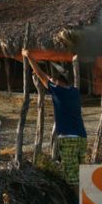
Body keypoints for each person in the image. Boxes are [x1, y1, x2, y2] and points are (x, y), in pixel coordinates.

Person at [23, 49, 86, 190]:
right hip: (82, 137)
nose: (50, 80)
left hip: (69, 138)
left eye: (53, 79)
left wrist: (29, 56)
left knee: (72, 175)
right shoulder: (74, 92)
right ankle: (88, 203)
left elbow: (40, 74)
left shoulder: (58, 91)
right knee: (83, 172)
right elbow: (45, 77)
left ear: (58, 81)